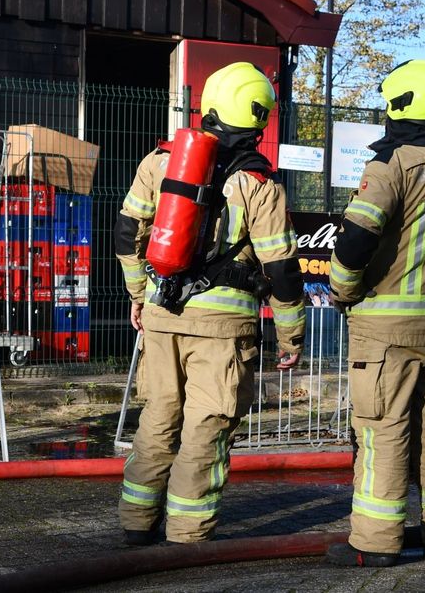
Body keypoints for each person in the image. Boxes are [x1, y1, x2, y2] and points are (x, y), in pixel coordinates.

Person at [113, 62, 306, 546]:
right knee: (207, 426)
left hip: (162, 313)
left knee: (158, 417)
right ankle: (187, 534)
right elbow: (280, 268)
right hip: (223, 330)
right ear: (259, 119)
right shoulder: (260, 184)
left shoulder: (160, 160)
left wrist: (140, 296)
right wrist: (291, 336)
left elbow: (125, 234)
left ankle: (135, 525)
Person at [325, 59, 425, 567]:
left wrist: (342, 290)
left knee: (382, 430)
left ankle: (374, 544)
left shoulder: (392, 165)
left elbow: (355, 241)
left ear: (400, 104)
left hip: (387, 329)